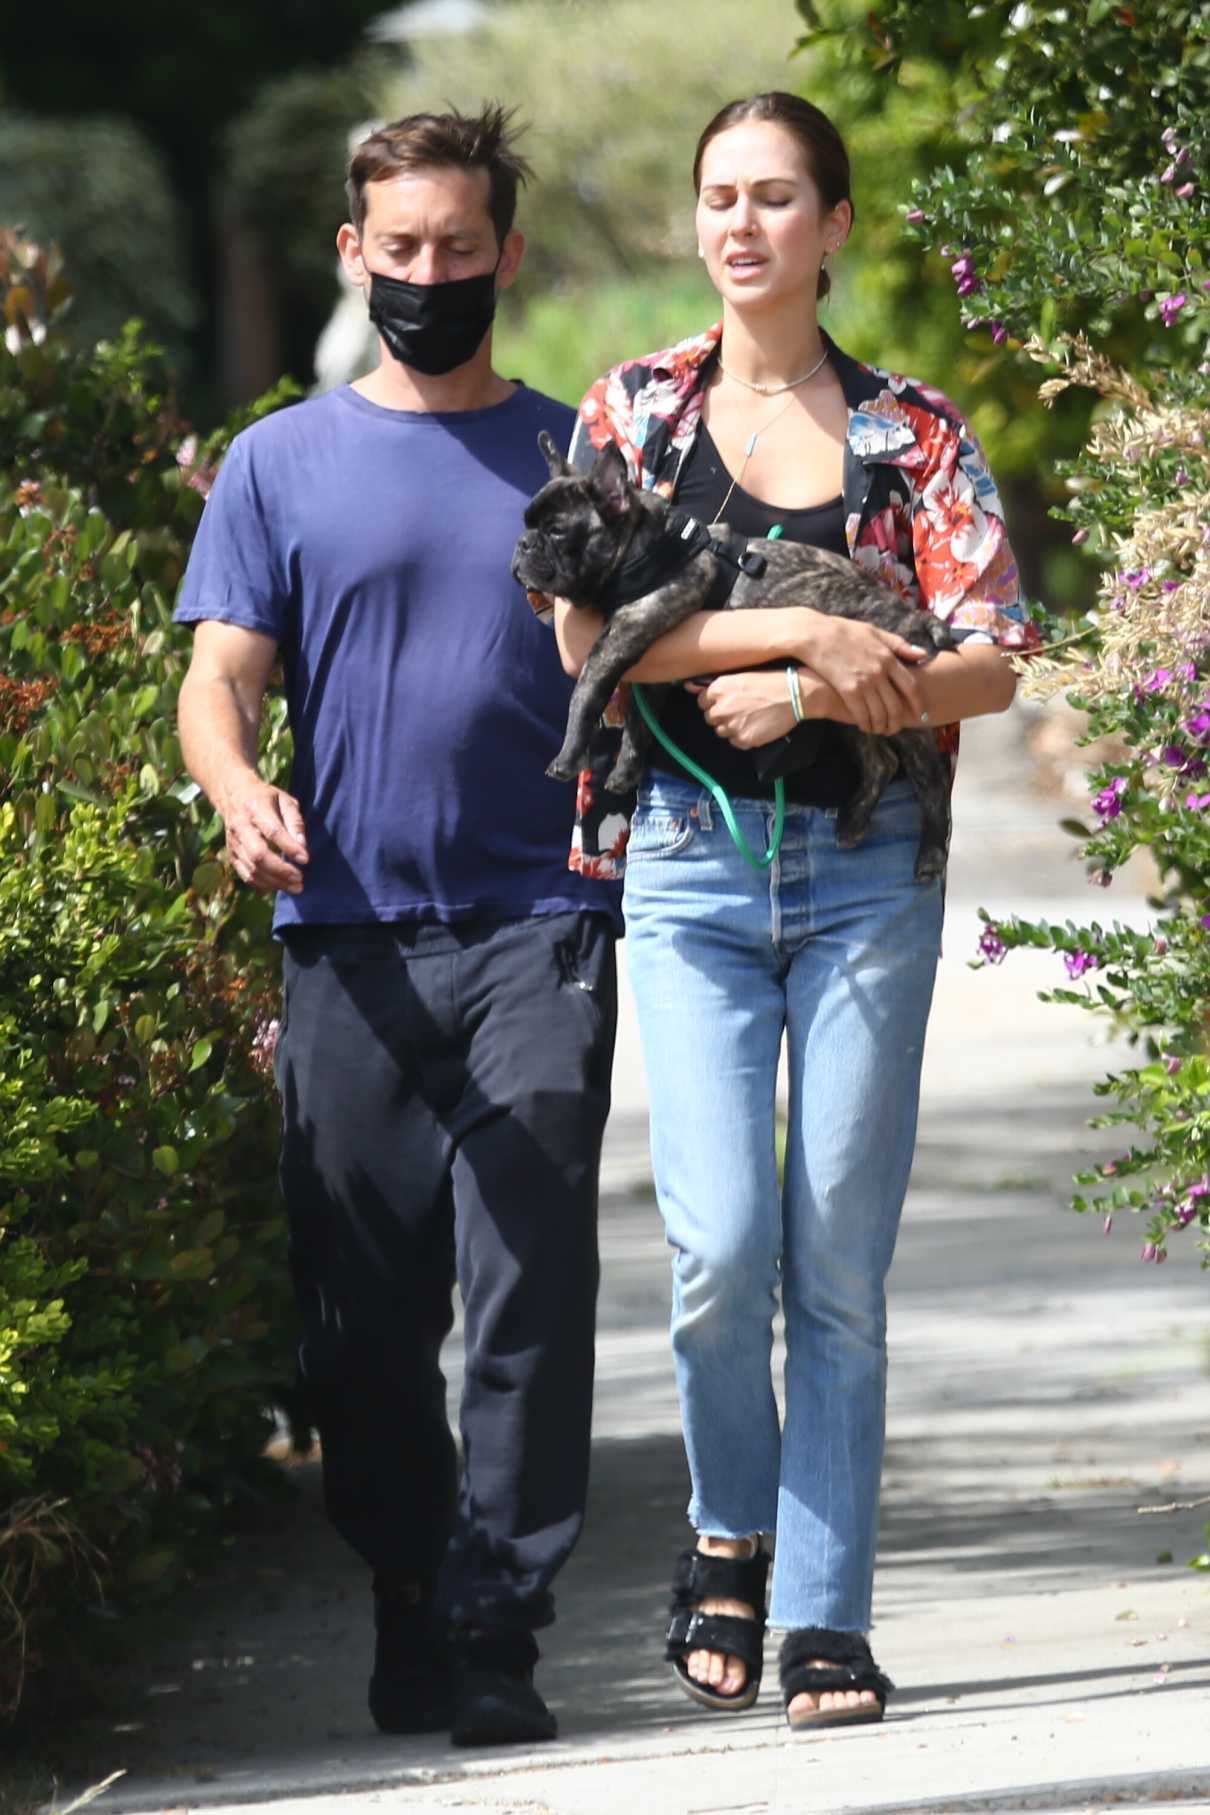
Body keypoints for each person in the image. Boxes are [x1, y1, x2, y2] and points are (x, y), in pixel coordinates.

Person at [553, 91, 1038, 1730]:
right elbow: (577, 643)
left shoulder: (916, 436)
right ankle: (723, 1538)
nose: (742, 223)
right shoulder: (633, 413)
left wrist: (843, 698)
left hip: (861, 886)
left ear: (830, 228)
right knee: (716, 1251)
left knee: (833, 1265)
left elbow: (991, 654)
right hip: (685, 867)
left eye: (775, 197)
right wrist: (793, 643)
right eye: (718, 196)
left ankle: (824, 1615)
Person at [175, 104, 620, 1749]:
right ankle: (408, 1588)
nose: (430, 273)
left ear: (507, 251)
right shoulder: (280, 461)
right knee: (362, 1320)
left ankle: (500, 1623)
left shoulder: (580, 452)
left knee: (528, 1282)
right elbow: (218, 679)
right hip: (347, 936)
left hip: (542, 921)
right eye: (400, 248)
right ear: (354, 254)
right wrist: (233, 790)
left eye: (459, 246)